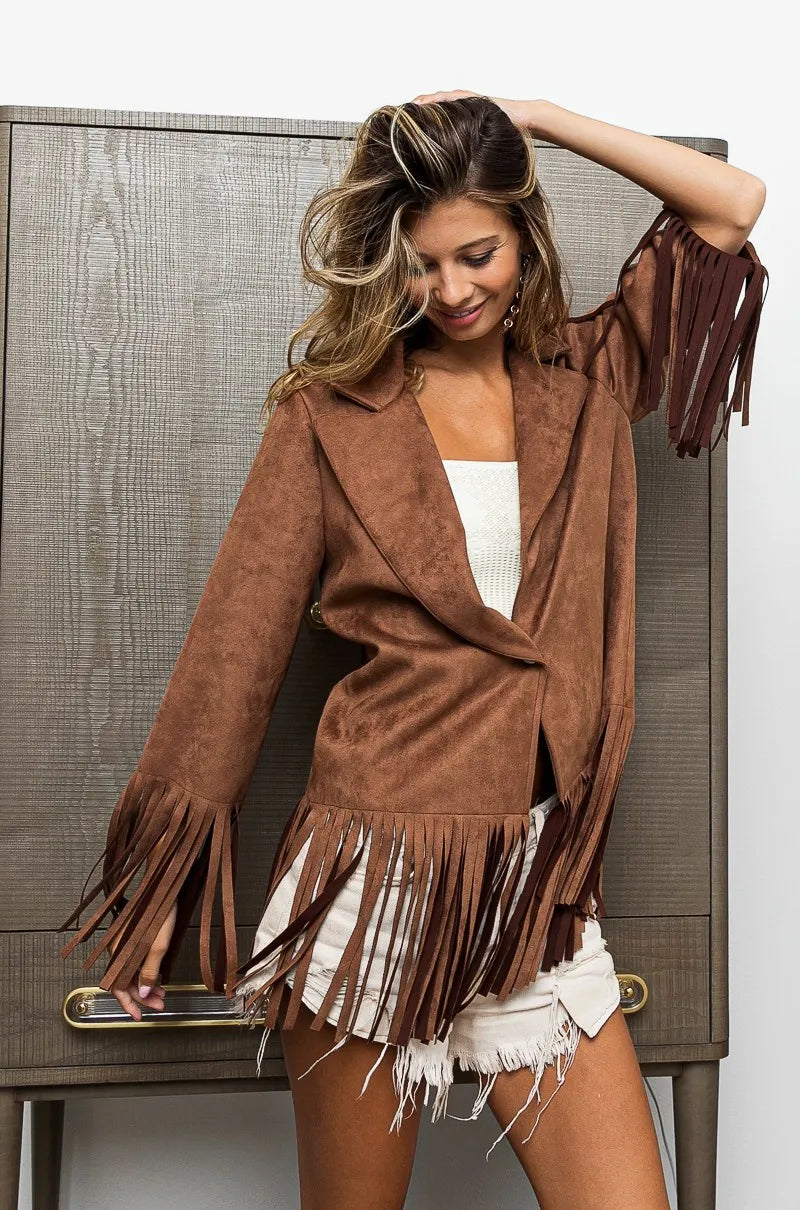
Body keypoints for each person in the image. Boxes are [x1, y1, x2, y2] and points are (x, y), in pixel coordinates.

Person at [60, 94, 768, 1209]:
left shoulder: (584, 385)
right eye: (417, 266)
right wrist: (157, 907)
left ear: (523, 235)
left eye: (476, 252)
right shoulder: (328, 418)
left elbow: (731, 206)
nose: (450, 291)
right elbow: (230, 659)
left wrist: (531, 115)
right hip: (369, 880)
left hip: (538, 889)